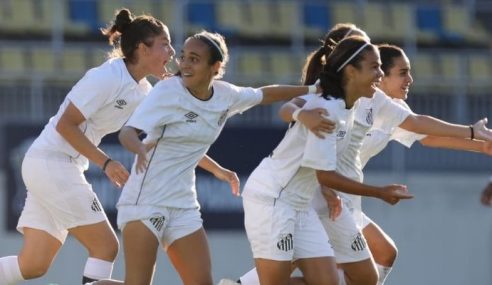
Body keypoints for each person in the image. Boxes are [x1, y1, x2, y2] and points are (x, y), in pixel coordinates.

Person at [89, 30, 324, 285]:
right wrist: (139, 148)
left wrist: (313, 89)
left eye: (194, 59)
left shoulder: (226, 95)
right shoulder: (168, 91)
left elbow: (264, 94)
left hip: (183, 204)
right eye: (183, 57)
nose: (185, 64)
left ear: (216, 67)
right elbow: (127, 133)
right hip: (144, 201)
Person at [281, 43, 492, 285]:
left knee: (381, 255)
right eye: (402, 72)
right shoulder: (351, 102)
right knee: (322, 269)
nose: (410, 79)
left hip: (344, 198)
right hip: (323, 194)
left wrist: (481, 144)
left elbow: (428, 136)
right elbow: (305, 129)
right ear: (380, 77)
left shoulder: (389, 109)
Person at [0, 8, 176, 285]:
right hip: (52, 163)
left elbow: (158, 128)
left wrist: (177, 93)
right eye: (165, 44)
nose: (172, 52)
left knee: (33, 264)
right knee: (106, 247)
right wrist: (106, 162)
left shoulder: (144, 90)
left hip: (52, 167)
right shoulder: (106, 76)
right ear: (142, 48)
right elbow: (65, 125)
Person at [241, 35, 414, 285]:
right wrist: (379, 192)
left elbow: (289, 111)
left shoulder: (349, 106)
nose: (380, 74)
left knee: (355, 279)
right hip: (273, 200)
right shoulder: (329, 110)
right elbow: (325, 175)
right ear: (351, 72)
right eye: (374, 67)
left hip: (300, 205)